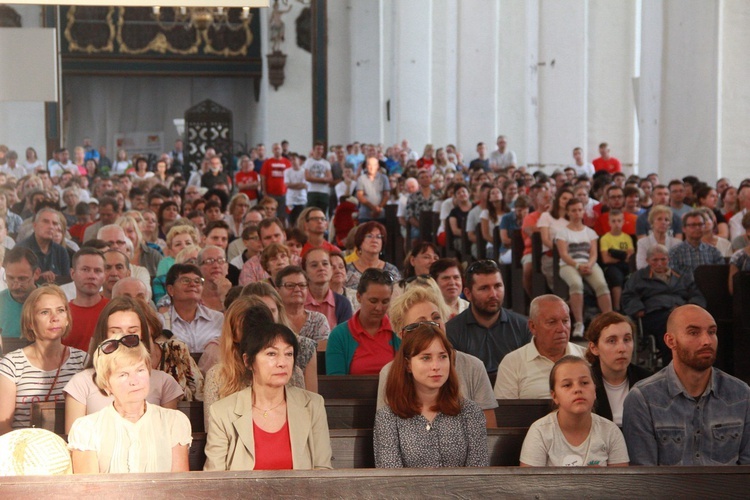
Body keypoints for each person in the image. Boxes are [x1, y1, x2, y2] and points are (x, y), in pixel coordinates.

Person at [623, 305, 750, 465]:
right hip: (666, 490)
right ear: (670, 341)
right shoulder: (643, 399)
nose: (706, 341)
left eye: (711, 332)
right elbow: (644, 480)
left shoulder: (741, 394)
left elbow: (747, 472)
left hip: (729, 490)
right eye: (694, 332)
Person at [203, 317, 332, 471]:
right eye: (271, 354)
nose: (282, 362)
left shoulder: (312, 405)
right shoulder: (223, 411)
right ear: (248, 361)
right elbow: (215, 478)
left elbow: (322, 470)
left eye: (289, 354)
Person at [67, 333, 191, 473]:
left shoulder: (173, 422)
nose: (134, 381)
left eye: (140, 370)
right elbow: (87, 491)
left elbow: (179, 488)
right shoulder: (87, 429)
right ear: (106, 385)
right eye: (123, 374)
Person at [378, 286, 498, 427]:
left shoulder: (473, 366)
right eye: (421, 322)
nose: (433, 325)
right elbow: (384, 429)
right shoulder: (389, 372)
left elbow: (488, 431)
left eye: (436, 317)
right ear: (403, 335)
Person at [374, 323, 489, 468]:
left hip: (462, 490)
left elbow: (478, 473)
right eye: (426, 358)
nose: (436, 366)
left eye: (442, 357)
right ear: (408, 364)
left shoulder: (470, 412)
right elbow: (390, 479)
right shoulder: (388, 417)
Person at [63, 297, 184, 433]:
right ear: (104, 334)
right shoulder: (81, 382)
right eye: (115, 331)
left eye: (132, 332)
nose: (123, 338)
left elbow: (168, 439)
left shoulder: (164, 382)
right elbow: (73, 440)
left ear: (142, 334)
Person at [0, 286, 88, 433]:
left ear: (67, 319)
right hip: (24, 450)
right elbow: (3, 426)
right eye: (45, 312)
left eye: (60, 310)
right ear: (30, 322)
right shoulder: (12, 364)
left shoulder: (82, 361)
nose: (55, 318)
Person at [519, 356, 629, 467]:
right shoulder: (540, 432)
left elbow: (621, 483)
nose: (577, 389)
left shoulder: (611, 432)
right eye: (567, 385)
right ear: (554, 396)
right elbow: (529, 483)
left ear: (595, 391)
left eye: (584, 383)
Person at [622, 244, 706, 364]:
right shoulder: (639, 277)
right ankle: (673, 364)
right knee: (670, 328)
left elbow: (696, 294)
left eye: (663, 259)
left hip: (682, 313)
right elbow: (628, 295)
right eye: (655, 260)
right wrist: (637, 309)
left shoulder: (681, 276)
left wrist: (691, 307)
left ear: (669, 259)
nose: (660, 263)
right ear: (647, 261)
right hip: (655, 314)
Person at [446, 260, 531, 374]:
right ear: (468, 294)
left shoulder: (523, 327)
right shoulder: (452, 331)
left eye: (497, 286)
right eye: (484, 288)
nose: (493, 294)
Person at [494, 295, 586, 399]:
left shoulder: (586, 357)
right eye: (552, 322)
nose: (561, 329)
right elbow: (505, 412)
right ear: (533, 327)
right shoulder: (512, 363)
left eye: (565, 321)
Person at [556, 198, 613, 337]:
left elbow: (593, 253)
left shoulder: (590, 232)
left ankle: (610, 320)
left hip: (588, 264)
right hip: (569, 265)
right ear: (568, 212)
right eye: (573, 210)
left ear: (583, 212)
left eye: (579, 210)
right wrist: (577, 265)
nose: (577, 213)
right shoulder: (563, 232)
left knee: (601, 285)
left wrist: (589, 264)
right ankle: (579, 323)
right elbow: (563, 254)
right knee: (576, 284)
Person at [326, 268, 400, 375]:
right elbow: (336, 382)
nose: (379, 308)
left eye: (385, 301)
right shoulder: (339, 335)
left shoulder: (398, 332)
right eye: (373, 301)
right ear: (359, 297)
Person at [585, 312, 651, 426]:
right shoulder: (583, 382)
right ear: (594, 348)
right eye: (612, 341)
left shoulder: (649, 381)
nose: (622, 348)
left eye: (627, 339)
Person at [161, 264, 223, 353]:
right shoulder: (160, 322)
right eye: (186, 280)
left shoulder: (218, 319)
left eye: (197, 281)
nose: (193, 284)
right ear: (171, 290)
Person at [64, 248, 109, 352]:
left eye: (97, 271)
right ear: (72, 273)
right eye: (85, 270)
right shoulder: (61, 314)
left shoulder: (113, 310)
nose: (91, 276)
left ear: (104, 276)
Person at [302, 248, 353, 330]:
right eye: (314, 265)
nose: (321, 268)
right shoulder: (298, 300)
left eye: (325, 264)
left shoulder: (343, 303)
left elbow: (344, 338)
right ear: (305, 272)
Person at [16, 207, 71, 284]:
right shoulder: (20, 250)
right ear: (35, 225)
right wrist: (39, 277)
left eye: (55, 223)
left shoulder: (61, 251)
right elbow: (16, 280)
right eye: (45, 222)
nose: (51, 226)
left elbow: (67, 281)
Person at [344, 221, 401, 290]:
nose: (374, 240)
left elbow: (400, 297)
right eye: (369, 236)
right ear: (360, 241)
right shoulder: (346, 270)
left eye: (379, 237)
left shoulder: (391, 270)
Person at [668, 210, 725, 278]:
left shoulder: (714, 252)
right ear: (684, 229)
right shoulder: (674, 252)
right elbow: (673, 278)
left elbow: (720, 276)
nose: (697, 228)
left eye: (700, 224)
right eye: (693, 225)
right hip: (684, 288)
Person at [0, 247, 40, 340]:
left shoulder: (51, 301)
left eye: (22, 279)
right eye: (10, 278)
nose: (16, 286)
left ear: (36, 274)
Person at [599, 209, 634, 311]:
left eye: (619, 221)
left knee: (631, 278)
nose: (616, 224)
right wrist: (622, 257)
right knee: (616, 278)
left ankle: (629, 307)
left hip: (625, 266)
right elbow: (606, 259)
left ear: (623, 222)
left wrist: (615, 255)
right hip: (611, 267)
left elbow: (630, 257)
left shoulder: (627, 238)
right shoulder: (605, 238)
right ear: (609, 222)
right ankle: (617, 308)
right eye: (613, 221)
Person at [635, 204, 682, 269]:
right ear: (652, 222)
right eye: (659, 219)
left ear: (669, 224)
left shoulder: (677, 243)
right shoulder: (642, 242)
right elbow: (641, 266)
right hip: (649, 277)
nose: (663, 222)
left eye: (666, 220)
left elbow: (679, 266)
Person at [357, 157, 390, 223]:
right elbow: (360, 195)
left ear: (378, 166)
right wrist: (373, 208)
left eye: (374, 165)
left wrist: (379, 208)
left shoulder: (384, 178)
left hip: (380, 215)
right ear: (366, 166)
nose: (371, 167)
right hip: (365, 215)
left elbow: (386, 195)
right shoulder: (361, 178)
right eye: (369, 165)